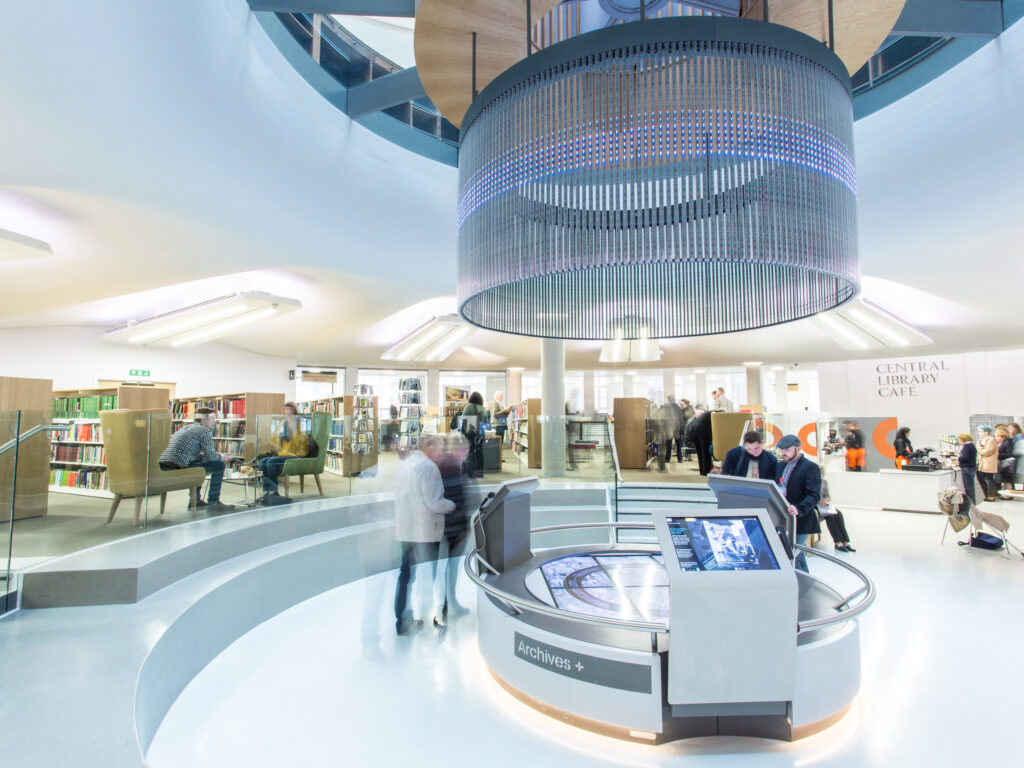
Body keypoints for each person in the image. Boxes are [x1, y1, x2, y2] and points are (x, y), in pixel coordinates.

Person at [393, 435, 456, 635]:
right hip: (426, 531)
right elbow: (434, 502)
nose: (440, 454)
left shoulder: (406, 464)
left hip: (406, 529)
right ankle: (430, 620)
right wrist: (451, 505)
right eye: (438, 449)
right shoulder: (429, 468)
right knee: (428, 576)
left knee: (406, 575)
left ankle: (402, 621)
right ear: (429, 448)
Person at [158, 407, 236, 512]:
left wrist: (218, 456)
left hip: (164, 468)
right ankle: (214, 502)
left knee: (200, 464)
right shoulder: (204, 431)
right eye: (212, 418)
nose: (215, 421)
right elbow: (212, 458)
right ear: (204, 420)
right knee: (219, 465)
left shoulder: (186, 428)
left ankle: (195, 501)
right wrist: (222, 458)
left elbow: (192, 455)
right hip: (179, 468)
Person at [433, 433, 473, 628]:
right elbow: (450, 498)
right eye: (460, 449)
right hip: (447, 527)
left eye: (465, 449)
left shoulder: (459, 466)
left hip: (456, 527)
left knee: (451, 567)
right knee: (442, 568)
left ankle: (451, 601)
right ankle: (442, 607)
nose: (464, 453)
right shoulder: (447, 466)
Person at [774, 434, 821, 573]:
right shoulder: (780, 465)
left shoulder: (810, 467)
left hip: (801, 519)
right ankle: (804, 586)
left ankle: (805, 586)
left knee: (795, 554)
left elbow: (814, 495)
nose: (783, 453)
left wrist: (799, 509)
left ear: (798, 448)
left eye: (787, 450)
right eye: (781, 450)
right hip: (783, 517)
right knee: (793, 555)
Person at [258, 402, 316, 505]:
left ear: (294, 410)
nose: (287, 412)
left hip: (296, 454)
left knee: (271, 462)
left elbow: (303, 441)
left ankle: (274, 492)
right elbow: (274, 439)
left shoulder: (300, 423)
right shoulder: (283, 423)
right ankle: (268, 491)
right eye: (285, 409)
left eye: (289, 409)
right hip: (284, 453)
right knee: (262, 462)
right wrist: (278, 436)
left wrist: (291, 432)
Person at [818, 477, 856, 552]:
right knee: (830, 515)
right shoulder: (809, 481)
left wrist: (826, 499)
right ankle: (838, 542)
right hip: (815, 506)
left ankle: (845, 541)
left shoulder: (824, 482)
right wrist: (819, 501)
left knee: (838, 513)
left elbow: (827, 496)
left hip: (824, 505)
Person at [460, 391, 488, 478]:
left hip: (470, 432)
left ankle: (471, 472)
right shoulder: (483, 408)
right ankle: (480, 473)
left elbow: (462, 419)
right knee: (479, 452)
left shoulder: (469, 407)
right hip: (481, 433)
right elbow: (486, 422)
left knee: (470, 451)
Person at [685, 409, 714, 476]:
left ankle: (702, 471)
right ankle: (706, 472)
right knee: (705, 452)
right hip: (701, 431)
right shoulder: (717, 415)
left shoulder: (694, 420)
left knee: (700, 453)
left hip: (696, 430)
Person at [976, 425, 999, 502]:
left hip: (988, 463)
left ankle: (991, 496)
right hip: (982, 463)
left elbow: (986, 452)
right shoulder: (981, 440)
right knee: (982, 479)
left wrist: (979, 449)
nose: (979, 433)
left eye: (980, 431)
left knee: (990, 479)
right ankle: (986, 495)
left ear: (986, 432)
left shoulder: (991, 440)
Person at [956, 432, 978, 506]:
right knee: (970, 486)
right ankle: (972, 503)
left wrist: (958, 458)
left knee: (968, 487)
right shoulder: (971, 445)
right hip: (971, 467)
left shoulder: (967, 446)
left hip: (967, 467)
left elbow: (964, 457)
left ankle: (971, 503)